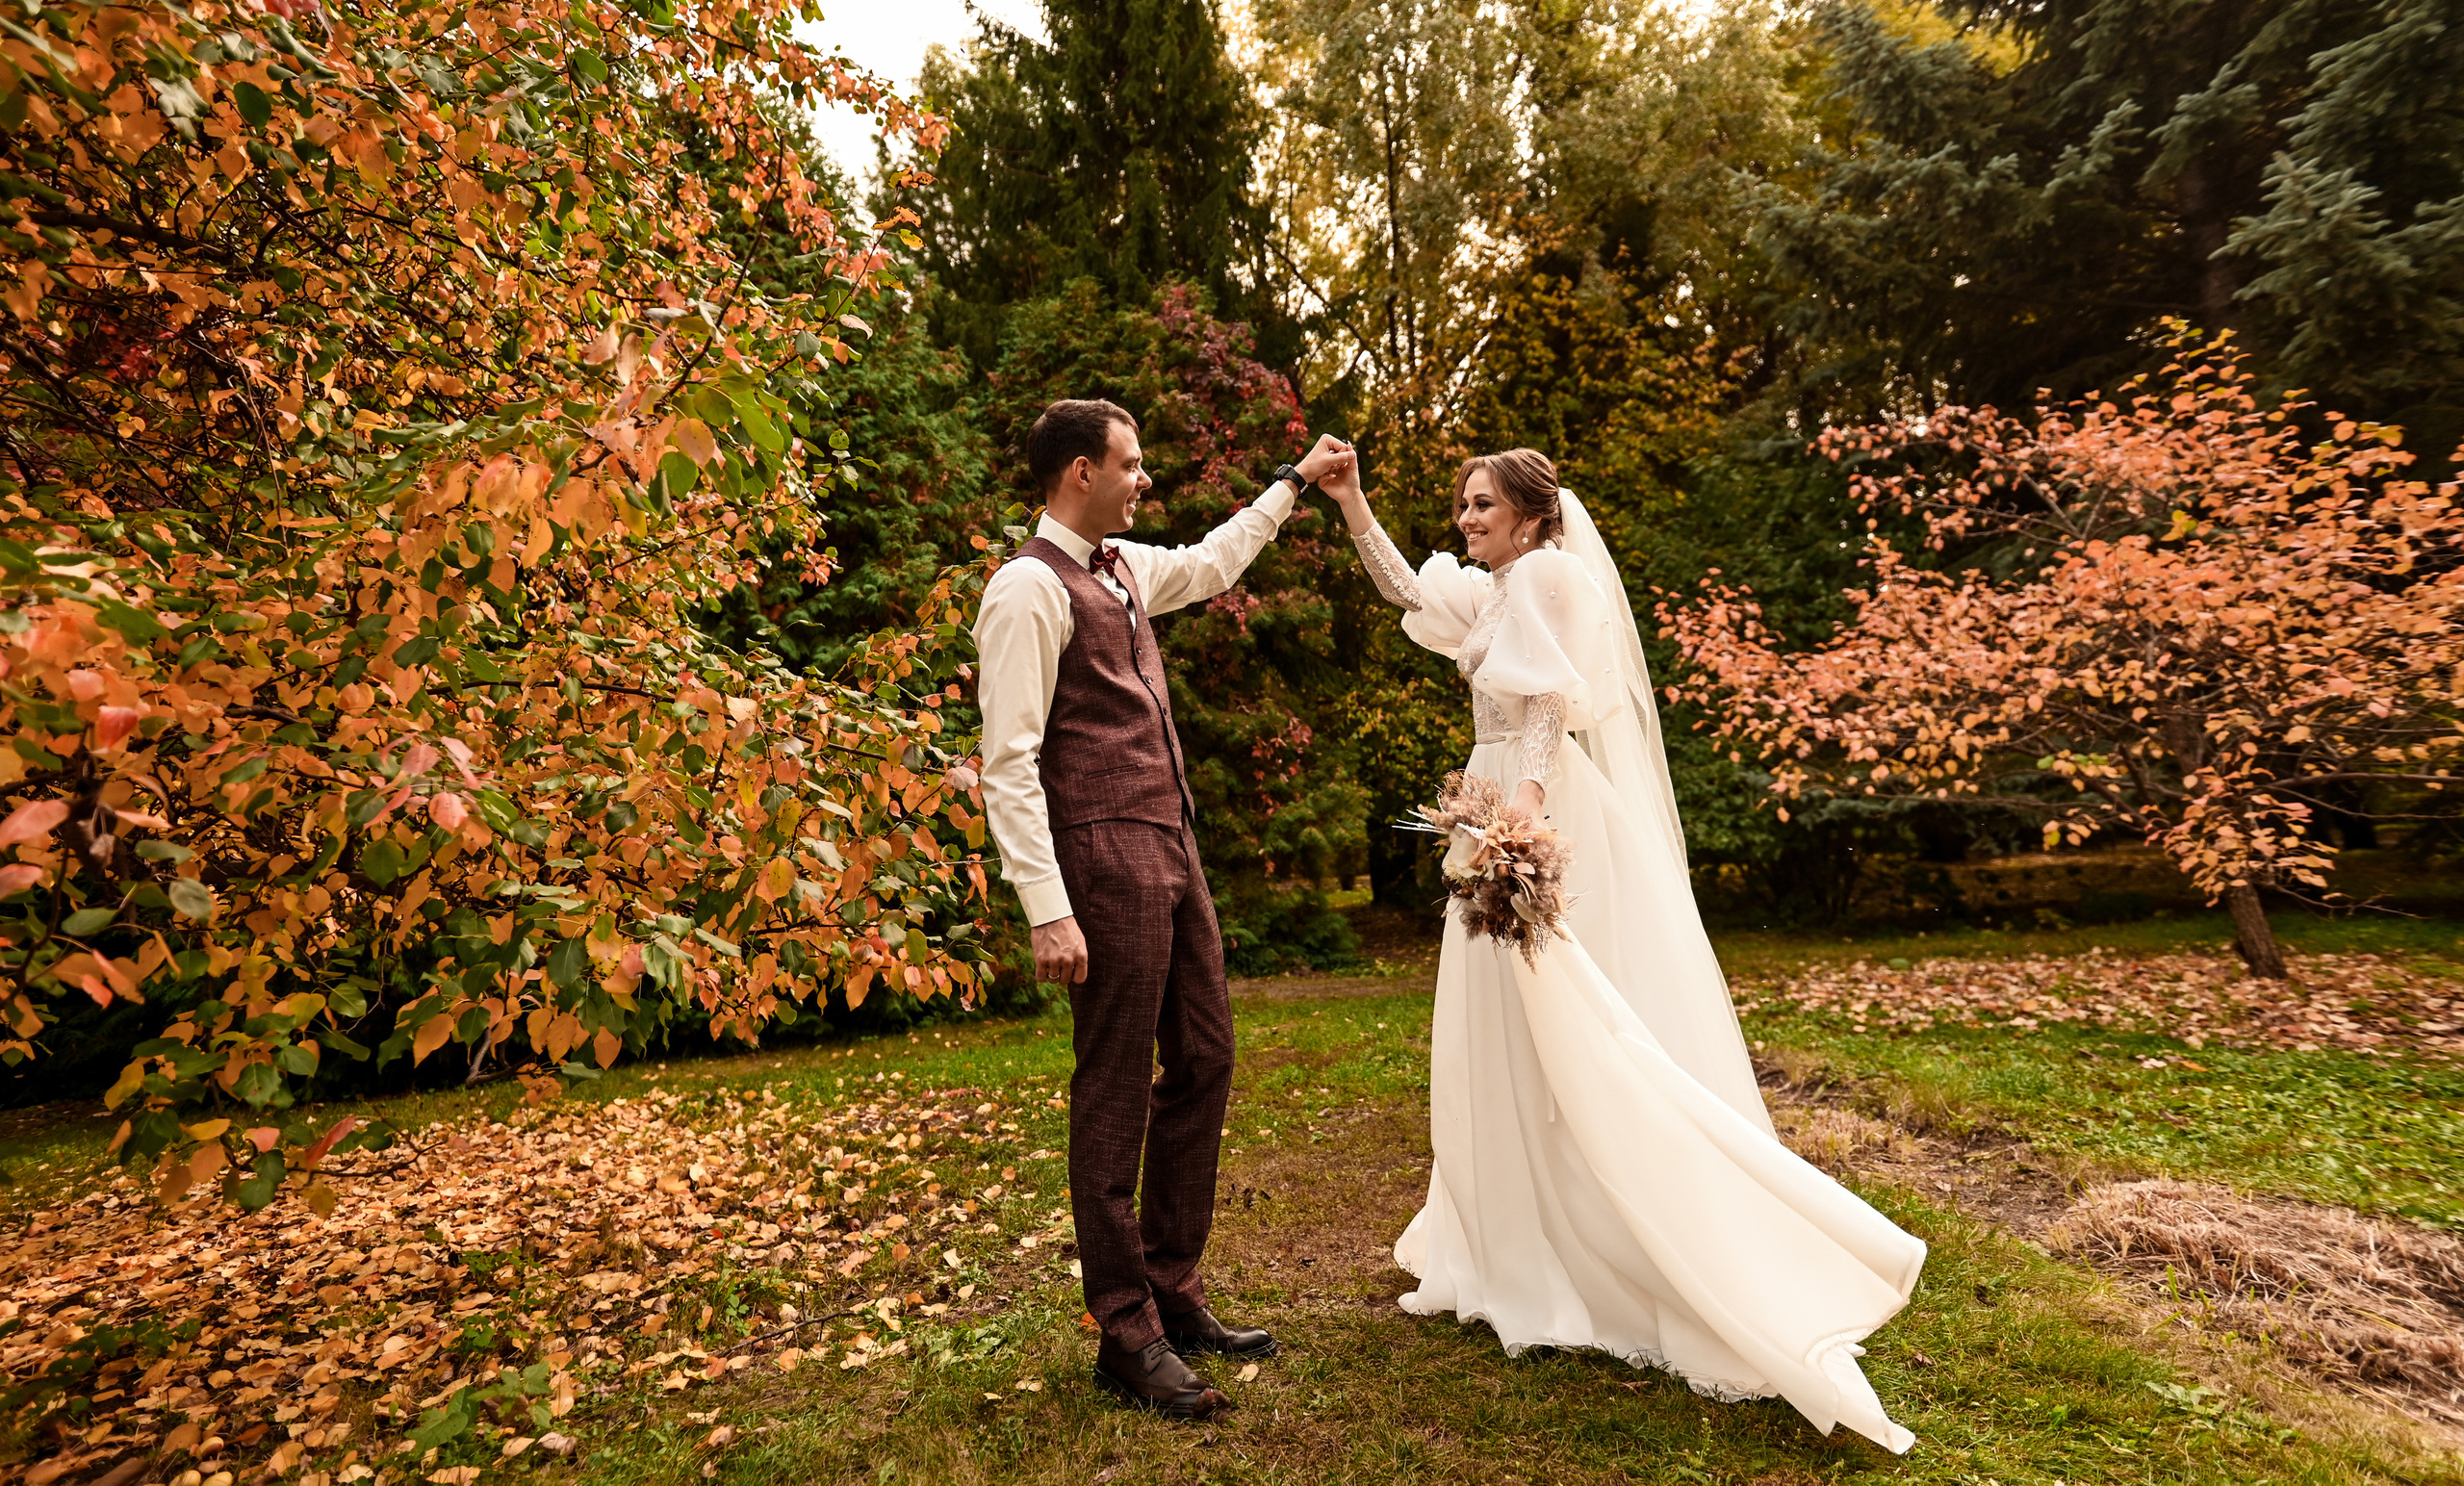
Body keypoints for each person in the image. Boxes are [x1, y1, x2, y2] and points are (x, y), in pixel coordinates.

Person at [1321, 447, 1929, 1453]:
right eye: (1461, 504)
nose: (1465, 517)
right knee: (1500, 1037)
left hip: (1533, 808)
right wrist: (1349, 503)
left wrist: (1523, 811)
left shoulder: (1549, 573)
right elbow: (1403, 584)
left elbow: (1550, 700)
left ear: (1528, 516)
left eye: (1482, 504)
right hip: (1488, 805)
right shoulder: (1499, 583)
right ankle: (1507, 1245)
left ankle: (1605, 1237)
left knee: (1576, 1029)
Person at [973, 397, 1355, 1419]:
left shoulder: (1128, 567)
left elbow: (1217, 558)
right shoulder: (1025, 588)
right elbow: (1006, 764)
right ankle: (1124, 1330)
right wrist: (1046, 906)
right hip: (1099, 854)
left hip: (1170, 843)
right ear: (1076, 473)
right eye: (1130, 464)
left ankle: (1173, 1287)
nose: (1143, 479)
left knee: (1206, 1053)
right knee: (1112, 1084)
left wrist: (1290, 481)